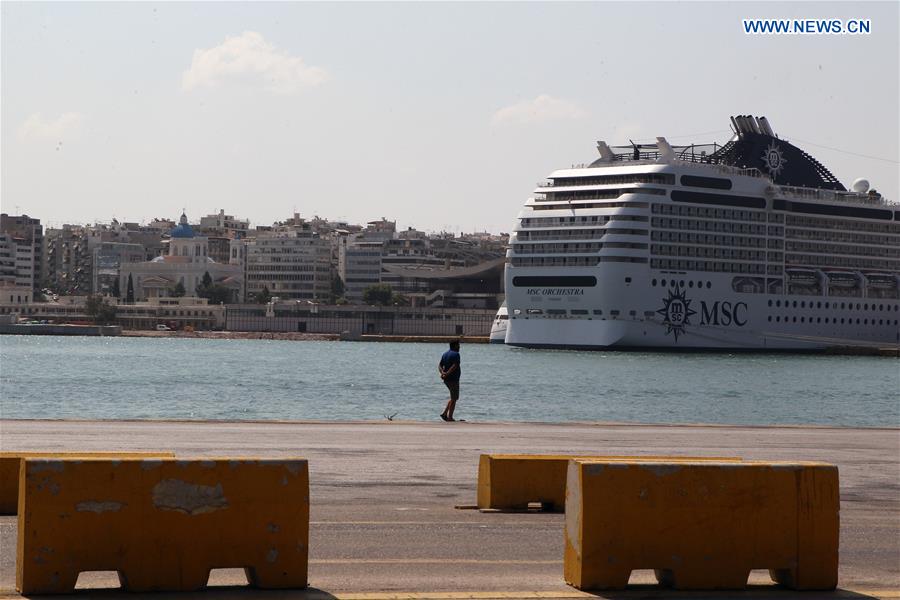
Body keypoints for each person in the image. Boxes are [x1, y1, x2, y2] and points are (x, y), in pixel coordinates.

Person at [438, 340, 461, 422]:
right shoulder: (456, 354)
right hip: (453, 379)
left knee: (453, 397)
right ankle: (450, 417)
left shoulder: (445, 354)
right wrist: (446, 373)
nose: (459, 347)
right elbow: (455, 365)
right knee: (454, 398)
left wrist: (442, 373)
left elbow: (440, 365)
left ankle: (444, 414)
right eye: (458, 345)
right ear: (454, 346)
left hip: (447, 380)